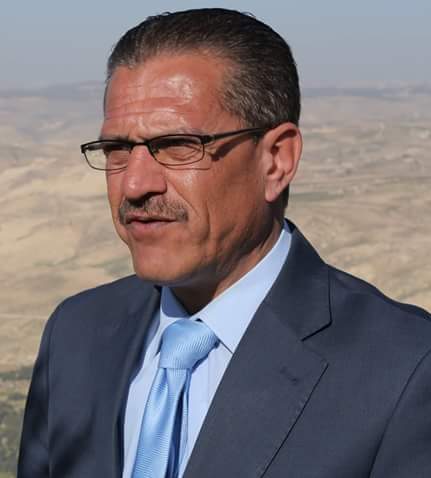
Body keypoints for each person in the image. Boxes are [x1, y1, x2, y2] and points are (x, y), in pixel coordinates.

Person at [18, 8, 431, 478]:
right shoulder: (76, 334)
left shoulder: (405, 369)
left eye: (178, 145)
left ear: (276, 160)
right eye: (117, 150)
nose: (134, 184)